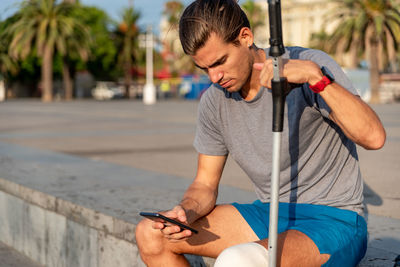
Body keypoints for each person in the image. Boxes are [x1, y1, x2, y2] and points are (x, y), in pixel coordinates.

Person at [135, 0, 386, 266]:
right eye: (205, 68)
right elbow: (204, 185)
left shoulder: (308, 64)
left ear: (246, 37)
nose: (214, 77)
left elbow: (373, 137)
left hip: (333, 220)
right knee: (151, 234)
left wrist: (318, 80)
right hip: (269, 215)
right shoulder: (214, 102)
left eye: (220, 62)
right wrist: (185, 211)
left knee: (237, 261)